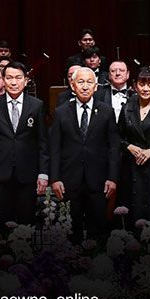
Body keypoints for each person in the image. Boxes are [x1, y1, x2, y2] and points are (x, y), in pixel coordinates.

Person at [49, 67, 120, 240]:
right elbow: (55, 148)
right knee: (70, 232)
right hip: (69, 180)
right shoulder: (61, 112)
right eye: (80, 82)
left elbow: (113, 147)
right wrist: (55, 178)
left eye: (89, 82)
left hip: (99, 180)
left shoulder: (107, 111)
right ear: (73, 85)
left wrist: (112, 177)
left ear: (96, 87)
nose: (85, 86)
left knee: (99, 231)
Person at [0, 62, 48, 226]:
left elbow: (42, 142)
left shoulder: (37, 105)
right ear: (3, 80)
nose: (14, 82)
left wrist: (43, 173)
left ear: (26, 80)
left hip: (28, 174)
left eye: (18, 78)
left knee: (26, 225)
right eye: (9, 78)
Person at [116, 69, 150, 226]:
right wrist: (128, 146)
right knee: (130, 211)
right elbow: (117, 137)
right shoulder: (127, 108)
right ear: (135, 85)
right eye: (142, 84)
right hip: (130, 165)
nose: (146, 88)